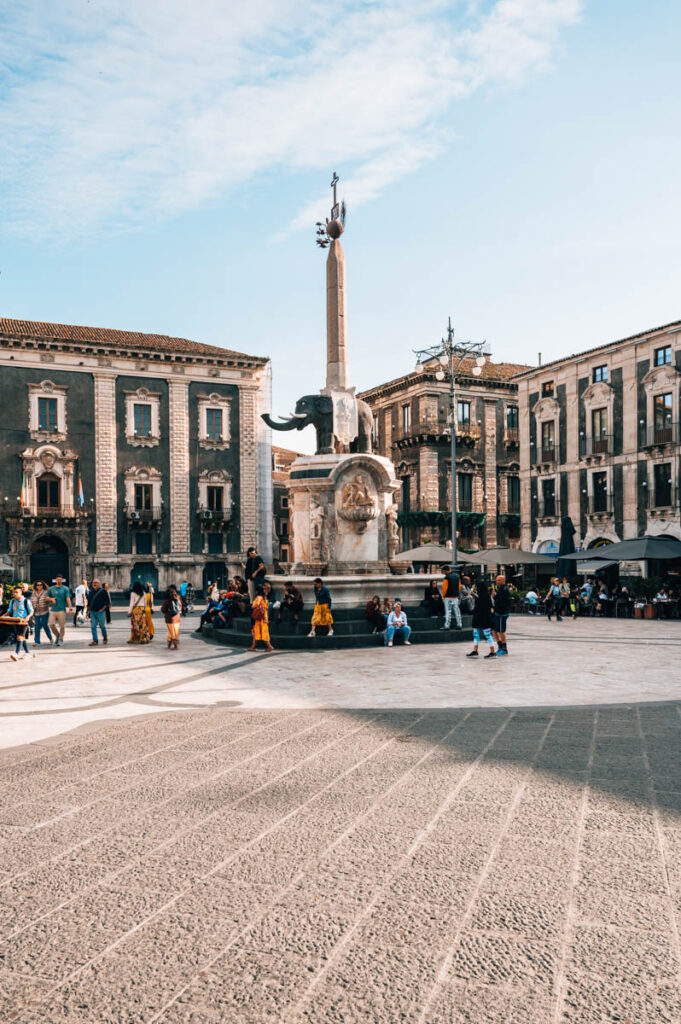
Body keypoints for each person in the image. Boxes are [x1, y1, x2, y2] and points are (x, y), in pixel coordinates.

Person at [467, 580, 496, 658]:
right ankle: (492, 652)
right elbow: (490, 608)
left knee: (476, 635)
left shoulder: (479, 597)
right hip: (486, 619)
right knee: (488, 636)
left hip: (478, 619)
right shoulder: (487, 596)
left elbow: (476, 608)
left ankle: (475, 651)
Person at [8, 586, 34, 661]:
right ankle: (28, 652)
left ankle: (16, 654)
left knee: (19, 637)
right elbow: (9, 611)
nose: (15, 594)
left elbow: (31, 611)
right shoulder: (12, 601)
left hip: (23, 622)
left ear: (21, 592)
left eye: (16, 592)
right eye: (14, 592)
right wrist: (3, 616)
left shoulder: (26, 601)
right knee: (21, 638)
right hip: (15, 622)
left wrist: (28, 617)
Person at [45, 575, 72, 646]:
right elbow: (46, 597)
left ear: (62, 580)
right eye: (58, 580)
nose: (59, 581)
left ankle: (60, 639)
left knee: (62, 626)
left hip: (61, 610)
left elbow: (68, 599)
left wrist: (70, 609)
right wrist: (51, 599)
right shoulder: (51, 589)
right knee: (51, 624)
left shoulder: (65, 589)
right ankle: (57, 635)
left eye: (60, 580)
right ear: (55, 580)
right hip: (53, 610)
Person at [247, 584, 274, 652]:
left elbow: (255, 605)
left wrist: (253, 605)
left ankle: (269, 646)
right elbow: (267, 607)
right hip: (264, 616)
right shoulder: (265, 598)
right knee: (257, 632)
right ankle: (253, 647)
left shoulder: (259, 597)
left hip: (259, 618)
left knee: (261, 632)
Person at [87, 579, 111, 646]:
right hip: (92, 611)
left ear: (99, 584)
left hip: (101, 612)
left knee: (102, 626)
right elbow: (89, 602)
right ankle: (95, 640)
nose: (94, 584)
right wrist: (87, 611)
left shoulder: (103, 591)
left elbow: (107, 602)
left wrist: (102, 609)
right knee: (93, 626)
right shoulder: (90, 591)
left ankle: (105, 636)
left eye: (96, 582)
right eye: (93, 582)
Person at [492, 575, 510, 656]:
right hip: (498, 612)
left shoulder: (504, 589)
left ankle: (504, 649)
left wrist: (494, 596)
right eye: (497, 580)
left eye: (499, 580)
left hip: (501, 613)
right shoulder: (501, 588)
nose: (497, 581)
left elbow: (501, 601)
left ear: (503, 580)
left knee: (501, 631)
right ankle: (500, 646)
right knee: (494, 629)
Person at [31, 580, 54, 645]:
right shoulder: (33, 592)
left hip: (44, 611)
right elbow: (32, 601)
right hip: (36, 612)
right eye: (38, 585)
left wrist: (50, 601)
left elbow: (50, 599)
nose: (39, 586)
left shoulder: (46, 592)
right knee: (37, 626)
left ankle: (50, 638)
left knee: (44, 625)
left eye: (41, 585)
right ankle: (37, 641)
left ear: (43, 585)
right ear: (35, 586)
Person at [441, 565, 462, 630]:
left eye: (444, 571)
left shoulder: (447, 577)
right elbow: (459, 587)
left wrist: (443, 596)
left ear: (445, 571)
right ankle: (459, 624)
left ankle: (447, 626)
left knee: (448, 612)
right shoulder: (457, 576)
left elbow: (444, 588)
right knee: (457, 611)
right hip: (455, 597)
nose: (444, 573)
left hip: (448, 597)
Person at [161, 585, 182, 649]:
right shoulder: (178, 599)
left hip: (169, 619)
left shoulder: (167, 600)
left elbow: (163, 609)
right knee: (174, 632)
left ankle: (175, 646)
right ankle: (169, 645)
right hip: (177, 618)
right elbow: (181, 607)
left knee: (171, 633)